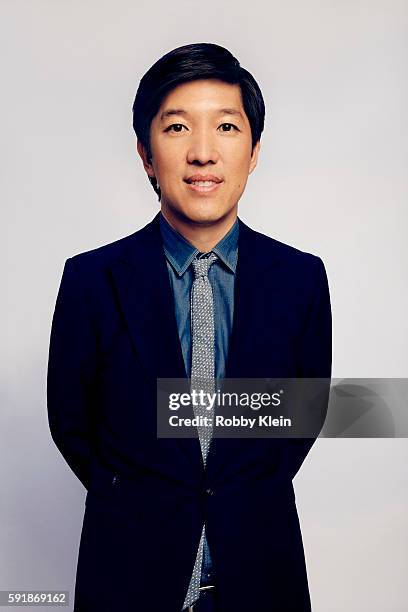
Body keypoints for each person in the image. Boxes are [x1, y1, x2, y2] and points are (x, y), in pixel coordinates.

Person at [47, 42, 332, 612]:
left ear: (253, 152)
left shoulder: (299, 279)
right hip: (129, 577)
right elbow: (72, 424)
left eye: (226, 126)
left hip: (259, 577)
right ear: (146, 154)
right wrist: (142, 499)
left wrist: (236, 495)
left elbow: (302, 418)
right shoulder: (91, 280)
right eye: (177, 128)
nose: (203, 153)